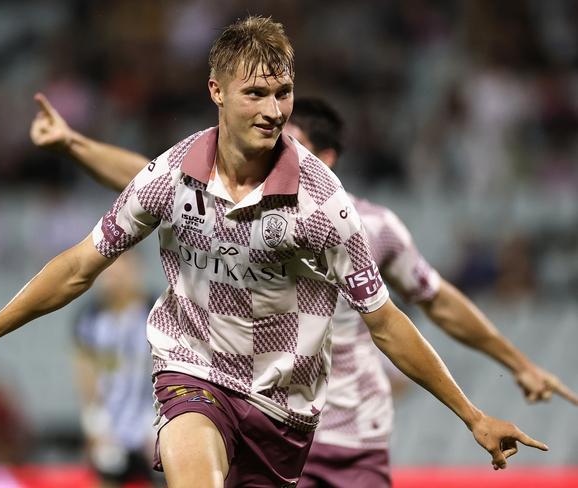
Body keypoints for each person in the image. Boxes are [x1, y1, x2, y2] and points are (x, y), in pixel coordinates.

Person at [0, 16, 548, 488]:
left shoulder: (321, 203)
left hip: (284, 409)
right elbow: (78, 267)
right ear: (217, 91)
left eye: (283, 92)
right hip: (193, 373)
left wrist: (472, 416)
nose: (274, 109)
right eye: (256, 92)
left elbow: (386, 322)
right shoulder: (171, 174)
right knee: (190, 449)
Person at [31, 88, 578, 487]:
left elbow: (439, 303)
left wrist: (517, 364)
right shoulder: (227, 200)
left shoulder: (369, 228)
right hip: (267, 416)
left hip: (349, 440)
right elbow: (147, 178)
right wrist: (75, 144)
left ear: (325, 157)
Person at [73, 251, 159, 487]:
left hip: (151, 420)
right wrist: (94, 423)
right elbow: (86, 375)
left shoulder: (156, 311)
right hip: (111, 424)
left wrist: (163, 420)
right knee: (107, 474)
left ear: (135, 271)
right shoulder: (90, 317)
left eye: (120, 269)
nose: (112, 276)